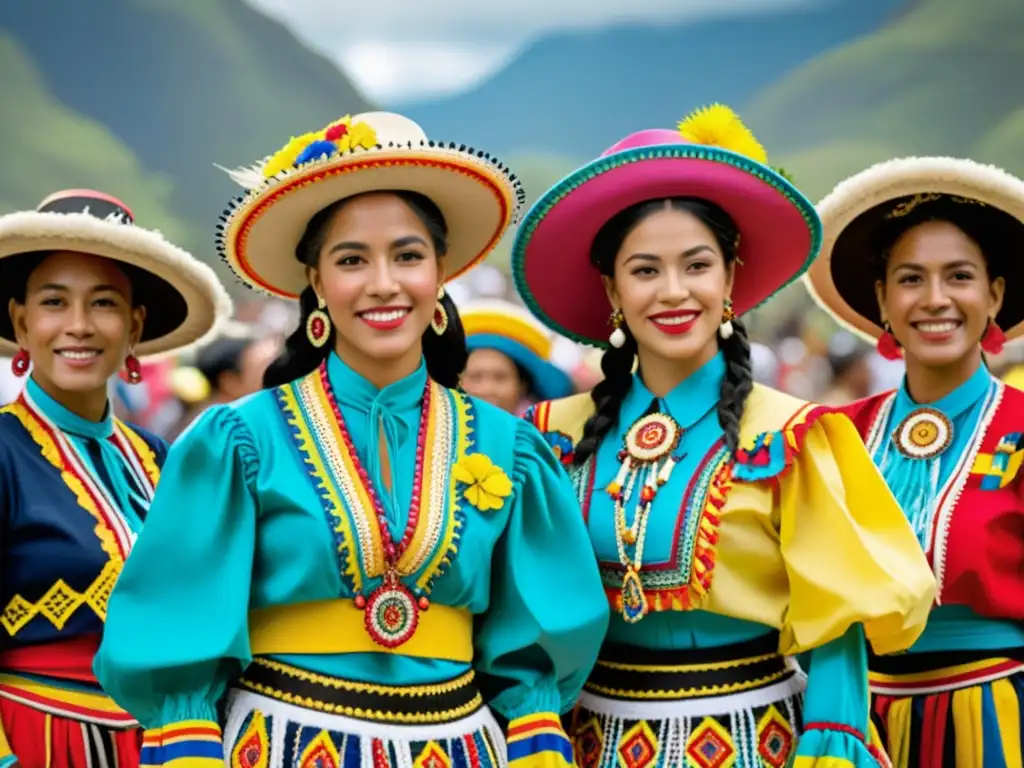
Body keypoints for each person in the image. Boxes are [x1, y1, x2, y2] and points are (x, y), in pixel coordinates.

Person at [94, 112, 609, 767]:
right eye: (351, 260)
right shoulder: (238, 441)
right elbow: (178, 631)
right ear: (315, 281)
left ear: (441, 271)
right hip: (284, 741)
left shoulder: (511, 449)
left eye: (408, 255)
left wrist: (537, 747)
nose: (383, 283)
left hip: (461, 747)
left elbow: (532, 654)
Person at [512, 104, 937, 767]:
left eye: (697, 265)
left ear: (730, 277)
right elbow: (524, 625)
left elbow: (836, 635)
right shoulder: (549, 439)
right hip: (588, 746)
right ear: (612, 288)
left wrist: (829, 750)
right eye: (645, 269)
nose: (674, 291)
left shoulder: (794, 437)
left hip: (757, 741)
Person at [0, 189, 231, 767]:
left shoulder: (157, 457)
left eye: (103, 304)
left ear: (134, 327)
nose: (78, 326)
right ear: (21, 323)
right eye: (54, 303)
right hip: (37, 743)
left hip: (163, 747)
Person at [806, 156, 1024, 767]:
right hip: (852, 725)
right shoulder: (835, 436)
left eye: (958, 277)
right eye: (909, 279)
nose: (935, 300)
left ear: (994, 294)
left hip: (1000, 719)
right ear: (881, 299)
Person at [460, 298, 574, 415]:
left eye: (500, 378)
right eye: (475, 377)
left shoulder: (541, 432)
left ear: (522, 386)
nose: (487, 389)